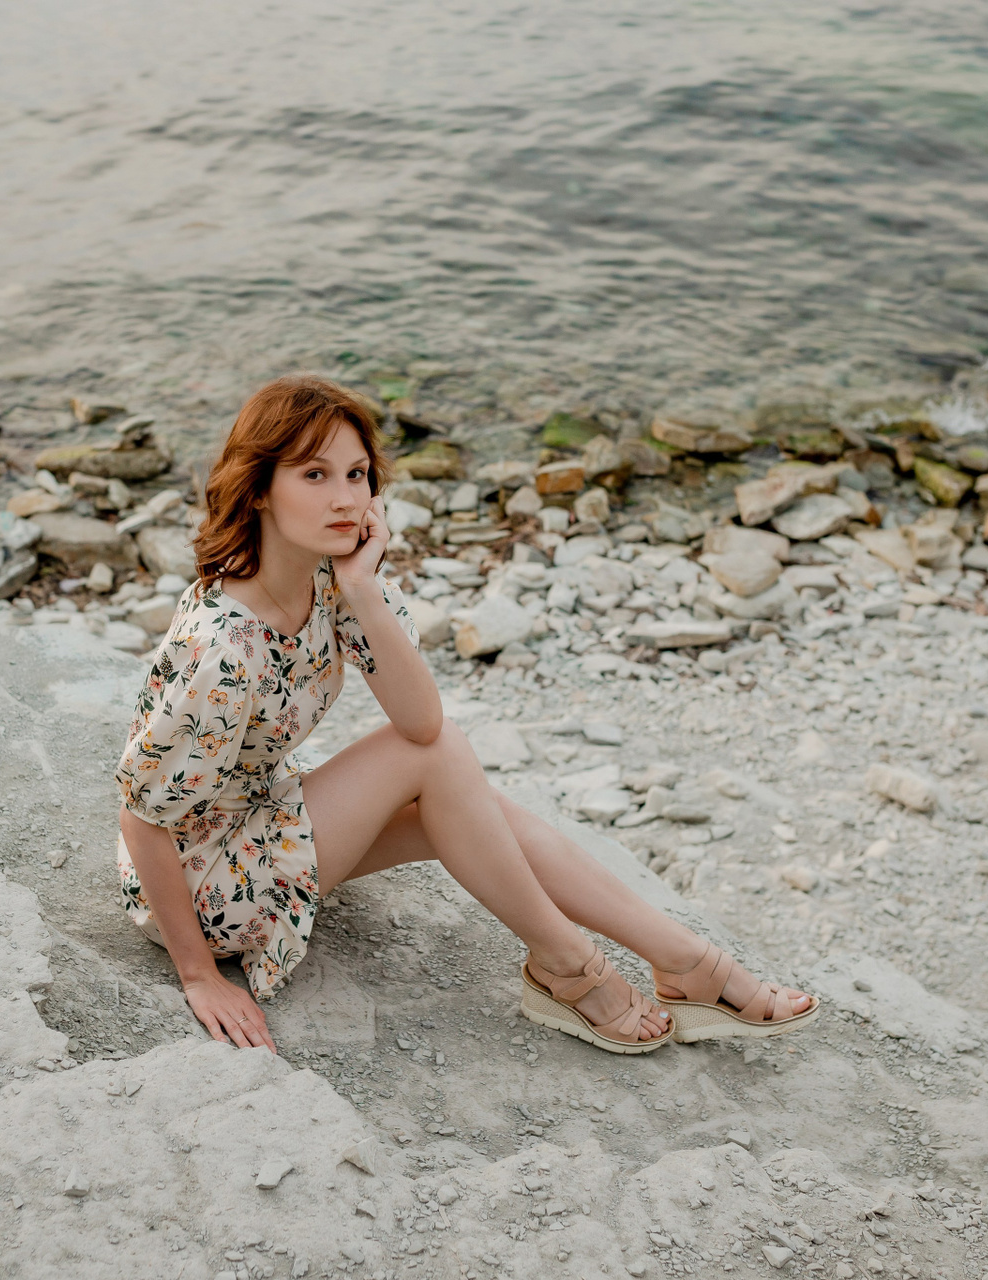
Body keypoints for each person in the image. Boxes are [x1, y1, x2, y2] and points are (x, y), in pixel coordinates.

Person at [113, 374, 817, 1055]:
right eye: (315, 475)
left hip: (261, 819)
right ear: (260, 487)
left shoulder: (331, 581)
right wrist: (199, 976)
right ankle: (572, 965)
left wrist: (363, 589)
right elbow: (141, 817)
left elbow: (420, 720)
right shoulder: (222, 645)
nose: (345, 499)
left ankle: (681, 959)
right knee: (440, 765)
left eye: (357, 475)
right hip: (204, 883)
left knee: (466, 804)